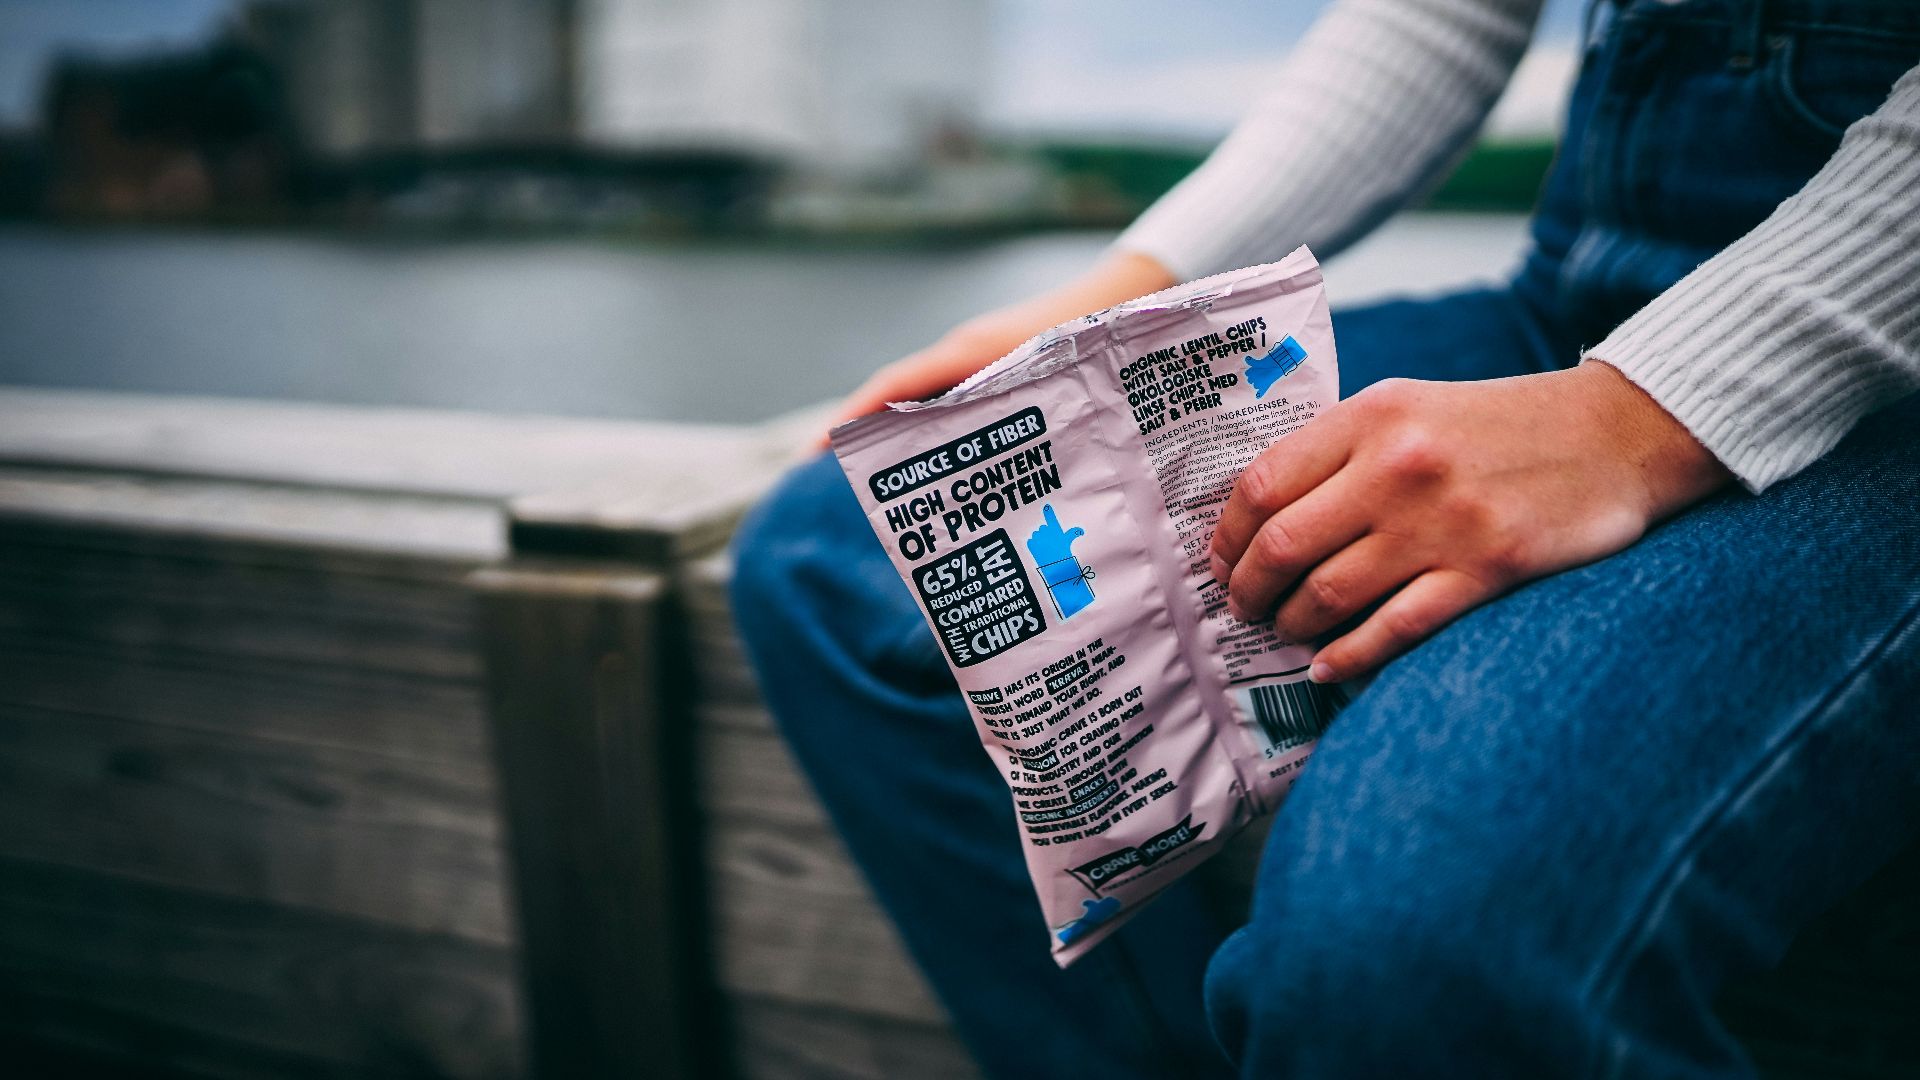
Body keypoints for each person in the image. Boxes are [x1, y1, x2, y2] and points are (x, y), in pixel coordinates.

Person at [731, 0, 1920, 1074]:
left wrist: (1640, 417)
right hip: (1569, 301)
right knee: (840, 559)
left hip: (1887, 405)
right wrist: (1124, 293)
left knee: (1411, 941)